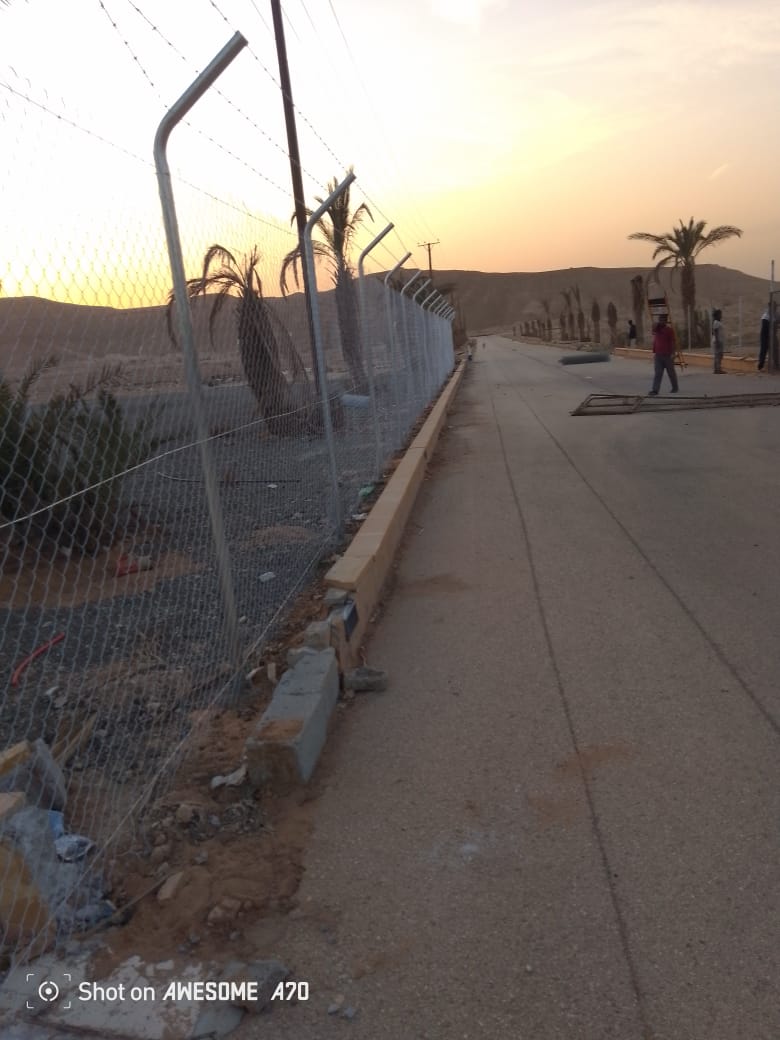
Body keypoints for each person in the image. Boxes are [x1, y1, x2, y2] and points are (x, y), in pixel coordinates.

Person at [648, 313, 678, 395]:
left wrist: (673, 353)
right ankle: (655, 390)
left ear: (666, 321)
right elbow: (653, 328)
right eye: (660, 319)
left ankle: (675, 387)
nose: (661, 321)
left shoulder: (669, 330)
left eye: (663, 320)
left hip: (667, 355)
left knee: (671, 373)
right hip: (658, 355)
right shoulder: (657, 329)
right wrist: (657, 324)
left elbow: (673, 342)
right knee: (658, 373)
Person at [758, 303, 774, 370]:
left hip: (772, 334)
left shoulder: (775, 314)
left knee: (774, 349)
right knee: (764, 349)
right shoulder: (766, 315)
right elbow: (765, 327)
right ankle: (760, 365)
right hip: (765, 334)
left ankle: (775, 364)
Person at [711, 308, 725, 373]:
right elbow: (715, 332)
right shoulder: (716, 322)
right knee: (718, 355)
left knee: (719, 355)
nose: (721, 315)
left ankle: (717, 369)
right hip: (718, 340)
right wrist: (717, 341)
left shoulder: (717, 322)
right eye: (720, 314)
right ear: (717, 315)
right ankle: (718, 369)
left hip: (719, 340)